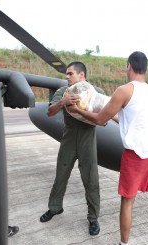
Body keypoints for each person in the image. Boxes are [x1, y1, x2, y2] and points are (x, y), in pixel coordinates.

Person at [67, 51, 148, 245]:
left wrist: (77, 110)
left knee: (127, 201)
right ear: (145, 68)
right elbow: (131, 118)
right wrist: (115, 118)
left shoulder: (124, 90)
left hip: (136, 154)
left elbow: (101, 120)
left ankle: (124, 244)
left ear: (129, 66)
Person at [40, 61, 104, 236]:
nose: (66, 77)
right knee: (60, 175)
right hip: (68, 139)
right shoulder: (63, 92)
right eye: (66, 74)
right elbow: (50, 112)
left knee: (91, 179)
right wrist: (63, 102)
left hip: (87, 139)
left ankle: (93, 218)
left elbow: (104, 115)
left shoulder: (96, 92)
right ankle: (55, 208)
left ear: (81, 75)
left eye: (70, 74)